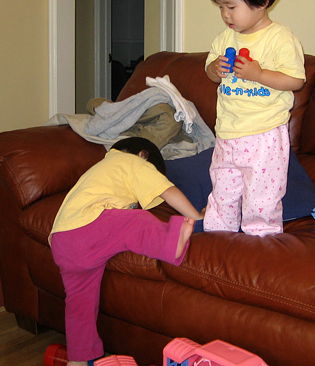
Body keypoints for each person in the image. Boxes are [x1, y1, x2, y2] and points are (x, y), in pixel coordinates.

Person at [49, 137, 203, 366]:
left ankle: (78, 360)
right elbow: (168, 190)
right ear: (143, 156)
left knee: (79, 306)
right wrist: (197, 217)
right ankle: (170, 242)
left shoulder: (100, 170)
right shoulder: (132, 162)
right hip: (85, 227)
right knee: (137, 220)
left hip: (61, 241)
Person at [204, 0, 306, 237]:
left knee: (261, 198)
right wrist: (215, 68)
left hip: (264, 134)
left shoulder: (280, 38)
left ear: (261, 1)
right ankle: (217, 238)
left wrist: (259, 75)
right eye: (221, 7)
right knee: (222, 191)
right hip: (227, 132)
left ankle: (260, 244)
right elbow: (210, 74)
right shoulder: (225, 38)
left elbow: (295, 80)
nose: (225, 14)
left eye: (231, 7)